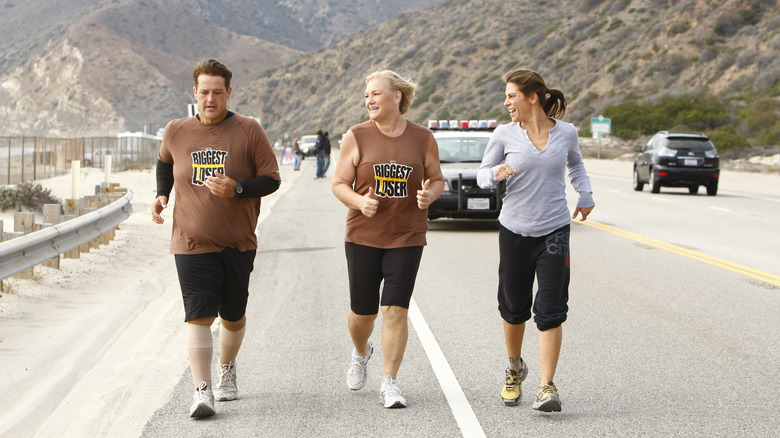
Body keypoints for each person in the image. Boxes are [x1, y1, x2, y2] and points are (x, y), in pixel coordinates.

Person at [151, 59, 281, 419]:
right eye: (204, 92)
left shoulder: (248, 130)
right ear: (194, 92)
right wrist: (162, 194)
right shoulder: (176, 130)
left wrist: (237, 188)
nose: (211, 98)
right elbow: (164, 161)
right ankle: (201, 391)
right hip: (190, 242)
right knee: (198, 315)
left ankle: (227, 368)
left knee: (233, 316)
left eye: (217, 92)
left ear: (228, 93)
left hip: (238, 241)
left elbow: (271, 179)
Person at [476, 69, 594, 412]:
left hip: (555, 229)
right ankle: (514, 369)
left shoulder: (566, 133)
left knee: (552, 308)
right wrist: (494, 174)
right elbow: (483, 173)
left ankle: (547, 386)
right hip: (514, 231)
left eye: (511, 95)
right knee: (514, 309)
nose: (506, 102)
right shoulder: (503, 134)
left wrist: (584, 194)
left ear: (532, 98)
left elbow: (576, 165)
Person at [331, 70, 445, 408]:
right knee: (362, 314)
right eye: (366, 95)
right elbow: (339, 184)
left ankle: (389, 381)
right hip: (363, 236)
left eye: (376, 94)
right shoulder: (357, 136)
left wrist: (430, 196)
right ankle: (359, 350)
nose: (369, 100)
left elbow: (437, 179)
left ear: (397, 97)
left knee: (395, 309)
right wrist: (359, 202)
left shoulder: (423, 138)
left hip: (407, 235)